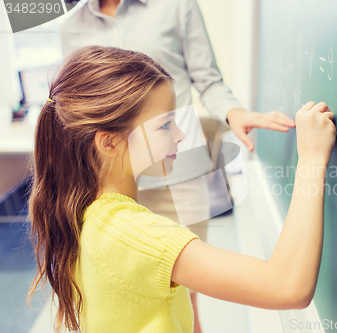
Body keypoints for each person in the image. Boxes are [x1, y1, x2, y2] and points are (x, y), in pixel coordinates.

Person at [26, 46, 336, 333]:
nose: (180, 134)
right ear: (108, 142)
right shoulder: (137, 234)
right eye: (165, 125)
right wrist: (310, 159)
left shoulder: (87, 212)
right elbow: (286, 286)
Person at [60, 3, 296, 329]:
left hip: (180, 171)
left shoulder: (176, 6)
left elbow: (208, 79)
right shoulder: (70, 27)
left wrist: (233, 113)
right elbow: (72, 103)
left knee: (186, 287)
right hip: (108, 174)